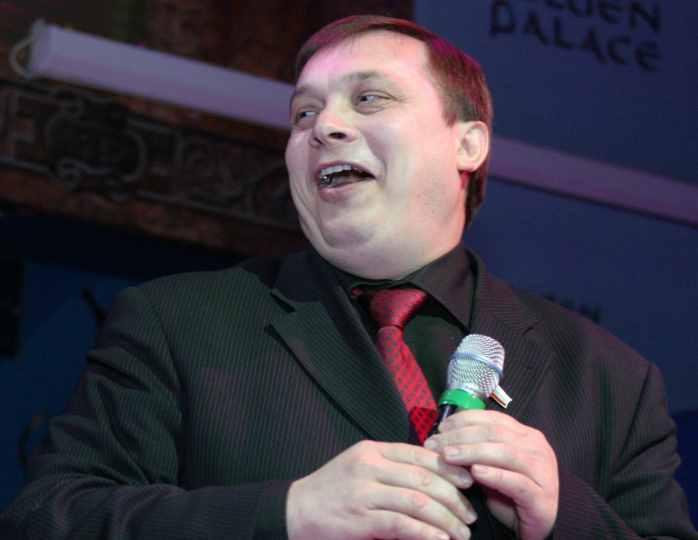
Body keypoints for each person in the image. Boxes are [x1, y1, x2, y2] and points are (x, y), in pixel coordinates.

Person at [1, 14, 696, 540]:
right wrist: (288, 513)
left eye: (369, 100)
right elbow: (49, 519)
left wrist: (564, 516)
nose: (324, 126)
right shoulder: (177, 323)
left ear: (468, 143)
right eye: (303, 112)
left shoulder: (610, 380)